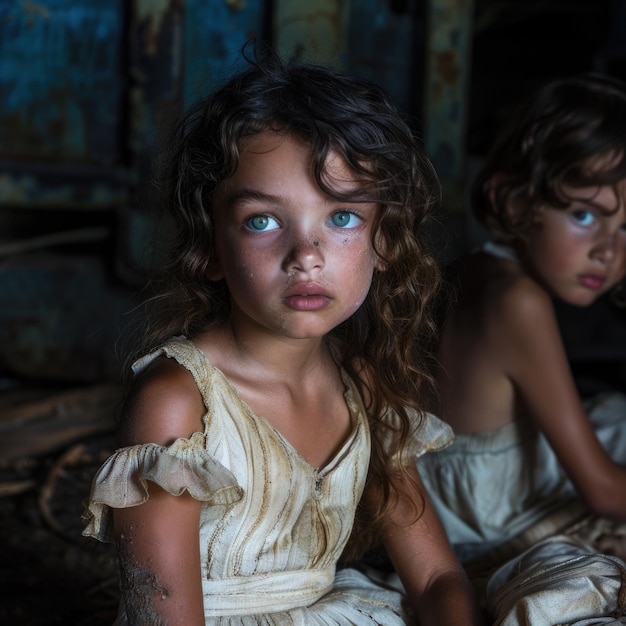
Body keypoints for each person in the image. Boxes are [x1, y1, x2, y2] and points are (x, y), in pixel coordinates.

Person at [82, 43, 483, 625]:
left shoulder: (361, 385)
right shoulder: (177, 405)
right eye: (262, 221)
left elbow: (440, 577)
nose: (306, 257)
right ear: (211, 247)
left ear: (385, 242)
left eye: (341, 218)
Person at [417, 73, 626, 624]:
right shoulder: (519, 301)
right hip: (489, 530)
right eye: (585, 216)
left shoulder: (479, 268)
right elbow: (604, 491)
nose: (608, 251)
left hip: (466, 499)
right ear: (514, 200)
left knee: (614, 415)